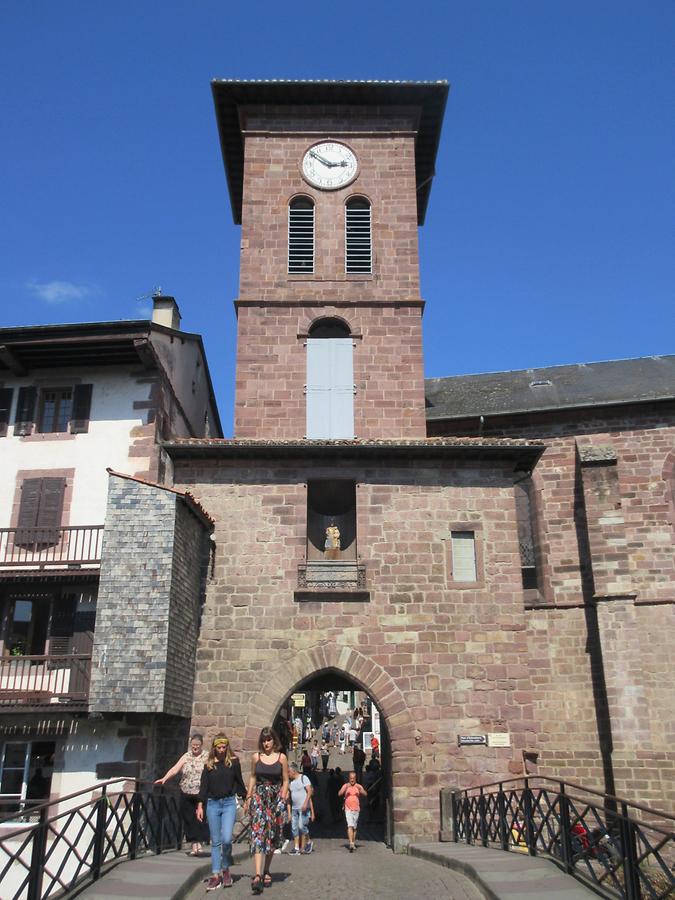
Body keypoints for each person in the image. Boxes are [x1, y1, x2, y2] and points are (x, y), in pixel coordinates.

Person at [195, 734, 247, 891]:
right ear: (214, 748)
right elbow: (203, 787)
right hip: (212, 804)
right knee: (215, 842)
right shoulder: (209, 766)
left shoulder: (234, 763)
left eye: (224, 747)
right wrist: (199, 806)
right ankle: (216, 874)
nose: (222, 750)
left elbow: (239, 782)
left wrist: (246, 799)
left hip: (229, 803)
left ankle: (225, 867)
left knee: (226, 839)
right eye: (219, 748)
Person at [244, 726, 289, 895]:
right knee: (257, 834)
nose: (266, 743)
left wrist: (283, 797)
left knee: (271, 835)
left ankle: (266, 870)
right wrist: (249, 797)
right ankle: (257, 875)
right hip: (259, 798)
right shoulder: (256, 757)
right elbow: (253, 777)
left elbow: (285, 780)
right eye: (263, 740)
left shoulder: (281, 758)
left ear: (274, 740)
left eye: (269, 740)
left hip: (275, 798)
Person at [155, 733, 210, 856]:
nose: (195, 747)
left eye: (197, 745)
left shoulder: (207, 756)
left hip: (201, 792)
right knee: (189, 818)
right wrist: (164, 778)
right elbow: (175, 769)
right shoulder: (186, 756)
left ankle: (199, 843)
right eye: (193, 745)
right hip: (186, 791)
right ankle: (193, 844)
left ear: (201, 745)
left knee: (200, 817)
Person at [286, 761, 315, 854]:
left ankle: (309, 841)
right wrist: (289, 812)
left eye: (288, 772)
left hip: (303, 808)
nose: (288, 774)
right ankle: (296, 847)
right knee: (294, 828)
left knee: (301, 826)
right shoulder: (291, 783)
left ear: (293, 771)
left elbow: (309, 791)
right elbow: (289, 798)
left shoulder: (303, 778)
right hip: (294, 809)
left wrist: (306, 804)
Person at [338, 770, 367, 852]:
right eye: (351, 778)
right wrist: (343, 790)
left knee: (354, 827)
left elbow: (365, 794)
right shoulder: (346, 786)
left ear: (355, 778)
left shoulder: (358, 786)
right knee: (350, 825)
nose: (352, 780)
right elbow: (339, 794)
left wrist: (361, 790)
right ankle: (351, 843)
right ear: (349, 778)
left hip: (356, 809)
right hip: (348, 809)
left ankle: (353, 842)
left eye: (353, 778)